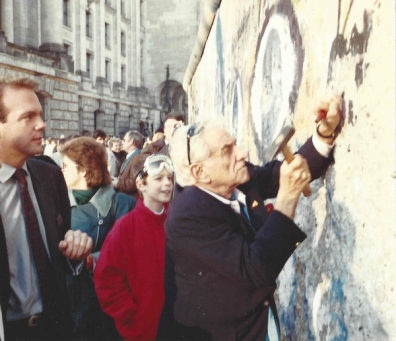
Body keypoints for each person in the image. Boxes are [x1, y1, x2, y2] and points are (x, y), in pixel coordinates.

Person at [158, 96, 342, 340]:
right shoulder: (188, 217)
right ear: (199, 172)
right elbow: (256, 268)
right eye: (228, 150)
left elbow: (279, 173)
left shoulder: (232, 179)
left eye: (235, 145)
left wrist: (325, 133)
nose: (242, 153)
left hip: (254, 322)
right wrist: (288, 197)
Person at [0, 76, 93, 340]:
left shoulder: (50, 176)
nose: (42, 124)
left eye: (40, 115)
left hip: (56, 326)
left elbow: (60, 252)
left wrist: (75, 252)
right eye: (28, 117)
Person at [61, 136, 136, 340]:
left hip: (108, 302)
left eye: (65, 166)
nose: (61, 171)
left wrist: (91, 260)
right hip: (69, 301)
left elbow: (131, 253)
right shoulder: (56, 203)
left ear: (83, 171)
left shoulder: (122, 204)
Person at [94, 154, 174, 340]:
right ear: (141, 184)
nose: (168, 184)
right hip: (143, 327)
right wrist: (129, 313)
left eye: (170, 178)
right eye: (159, 178)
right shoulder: (125, 227)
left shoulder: (176, 222)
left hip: (178, 323)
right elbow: (107, 277)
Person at [115, 130, 144, 198]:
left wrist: (117, 184)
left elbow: (134, 182)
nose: (122, 142)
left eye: (124, 140)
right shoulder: (132, 156)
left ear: (131, 142)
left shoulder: (138, 158)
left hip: (131, 200)